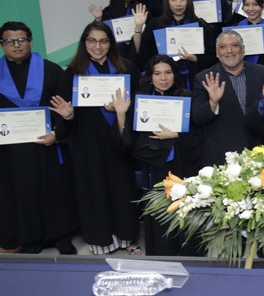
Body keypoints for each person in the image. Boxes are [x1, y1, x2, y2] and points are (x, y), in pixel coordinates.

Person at [51, 21, 141, 255]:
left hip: (119, 140)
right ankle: (101, 240)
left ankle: (127, 238)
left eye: (103, 41)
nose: (97, 46)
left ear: (111, 43)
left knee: (122, 189)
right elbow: (65, 116)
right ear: (84, 43)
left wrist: (122, 113)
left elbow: (138, 106)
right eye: (92, 41)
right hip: (87, 143)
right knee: (94, 190)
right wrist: (69, 116)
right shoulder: (72, 74)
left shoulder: (127, 68)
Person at [0, 22, 78, 255]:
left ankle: (61, 237)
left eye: (22, 40)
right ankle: (29, 239)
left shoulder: (51, 70)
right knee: (20, 193)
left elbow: (66, 108)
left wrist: (56, 134)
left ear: (31, 41)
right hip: (11, 152)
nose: (16, 45)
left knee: (55, 190)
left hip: (48, 145)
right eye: (9, 41)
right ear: (2, 44)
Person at [128, 55, 202, 256]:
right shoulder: (140, 100)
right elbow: (131, 136)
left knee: (185, 211)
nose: (163, 78)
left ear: (174, 74)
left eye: (168, 72)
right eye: (157, 73)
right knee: (160, 213)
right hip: (154, 166)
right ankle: (163, 253)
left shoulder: (187, 97)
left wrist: (177, 135)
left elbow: (199, 133)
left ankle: (189, 254)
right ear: (150, 76)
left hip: (181, 165)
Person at [191, 30, 264, 167]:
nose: (229, 51)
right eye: (223, 47)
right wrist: (213, 102)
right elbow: (198, 117)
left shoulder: (263, 73)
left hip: (258, 153)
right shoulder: (204, 78)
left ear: (243, 49)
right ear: (217, 53)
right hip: (221, 157)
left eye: (234, 45)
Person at [136, 0, 218, 90]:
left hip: (193, 78)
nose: (178, 4)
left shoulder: (200, 24)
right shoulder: (155, 25)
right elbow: (145, 55)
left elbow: (212, 55)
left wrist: (195, 58)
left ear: (188, 1)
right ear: (167, 2)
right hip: (163, 81)